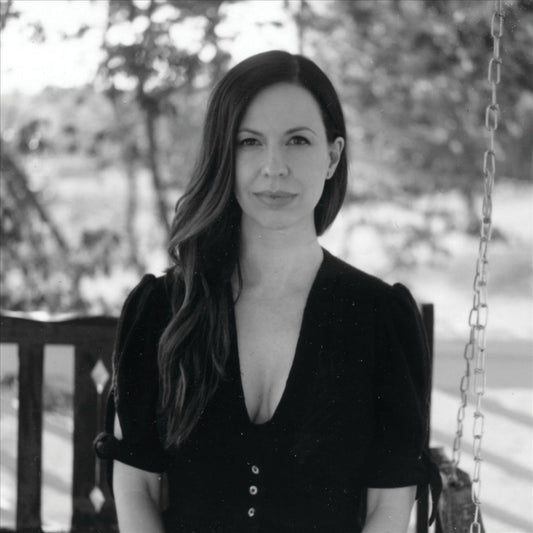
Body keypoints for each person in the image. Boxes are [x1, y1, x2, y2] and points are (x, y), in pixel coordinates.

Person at [94, 50, 441, 533]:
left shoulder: (379, 316)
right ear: (224, 155)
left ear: (332, 156)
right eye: (249, 142)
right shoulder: (165, 308)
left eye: (297, 140)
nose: (274, 167)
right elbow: (137, 489)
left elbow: (389, 506)